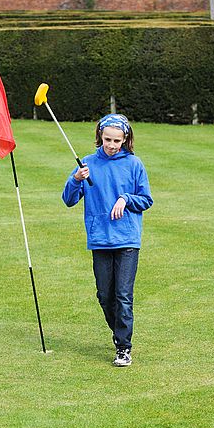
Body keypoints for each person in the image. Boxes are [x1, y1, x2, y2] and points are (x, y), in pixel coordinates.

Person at [62, 114, 153, 367]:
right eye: (107, 139)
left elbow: (146, 199)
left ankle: (124, 346)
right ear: (100, 137)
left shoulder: (134, 165)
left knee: (123, 295)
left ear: (126, 140)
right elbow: (68, 200)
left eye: (117, 140)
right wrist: (75, 180)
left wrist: (126, 198)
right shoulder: (88, 165)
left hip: (127, 239)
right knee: (105, 295)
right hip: (100, 238)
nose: (112, 145)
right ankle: (119, 333)